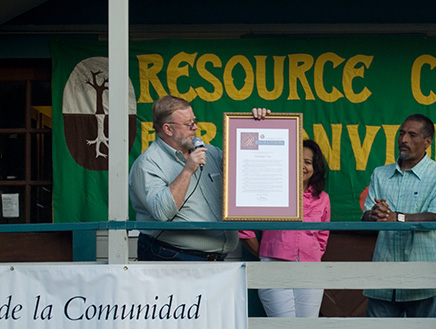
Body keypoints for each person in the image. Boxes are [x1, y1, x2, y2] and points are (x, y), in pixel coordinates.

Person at [129, 95, 269, 261]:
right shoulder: (147, 164)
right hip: (172, 256)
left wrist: (257, 126)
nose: (195, 127)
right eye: (189, 124)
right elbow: (162, 212)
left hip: (217, 260)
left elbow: (248, 169)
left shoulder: (211, 153)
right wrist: (187, 171)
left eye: (194, 121)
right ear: (168, 129)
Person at [361, 113, 436, 317]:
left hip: (425, 279)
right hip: (384, 280)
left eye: (412, 135)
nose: (404, 140)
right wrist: (375, 215)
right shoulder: (380, 173)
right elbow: (366, 215)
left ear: (427, 142)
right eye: (401, 133)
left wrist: (397, 218)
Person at [239, 139, 331, 317]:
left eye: (308, 162)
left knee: (308, 324)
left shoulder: (322, 198)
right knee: (282, 323)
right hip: (274, 266)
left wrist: (311, 256)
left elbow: (322, 236)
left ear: (315, 167)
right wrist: (265, 255)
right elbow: (244, 229)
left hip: (310, 270)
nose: (302, 166)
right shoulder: (270, 192)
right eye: (297, 160)